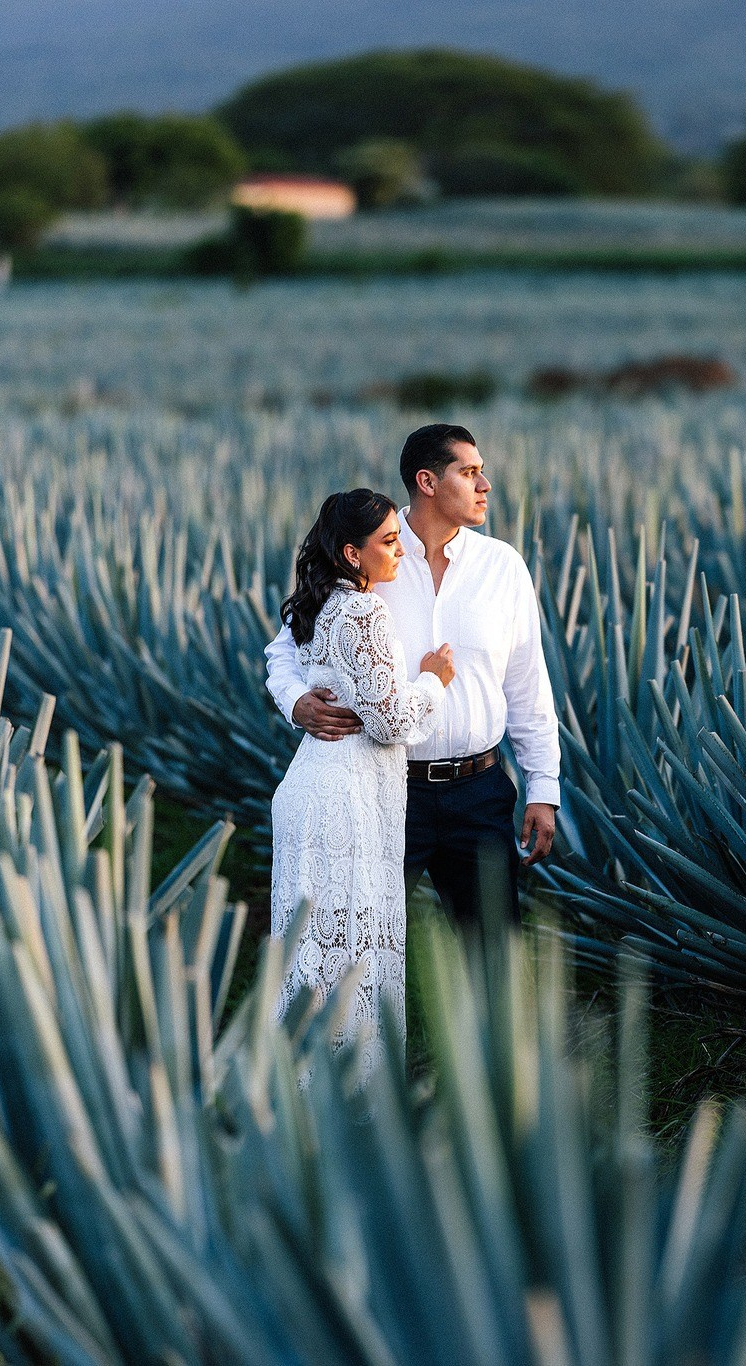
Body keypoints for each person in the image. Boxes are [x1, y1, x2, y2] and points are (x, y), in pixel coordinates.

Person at [265, 424, 560, 927]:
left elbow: (528, 684)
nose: (485, 485)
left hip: (479, 793)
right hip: (385, 790)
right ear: (427, 481)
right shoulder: (374, 557)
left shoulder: (503, 567)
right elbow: (285, 648)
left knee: (494, 960)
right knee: (363, 943)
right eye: (468, 473)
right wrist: (296, 701)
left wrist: (544, 788)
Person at [268, 489, 455, 1084]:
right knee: (350, 951)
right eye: (388, 542)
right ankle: (352, 1100)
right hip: (342, 800)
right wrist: (433, 681)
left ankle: (302, 1090)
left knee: (314, 949)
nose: (399, 550)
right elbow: (391, 720)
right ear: (353, 553)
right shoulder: (362, 612)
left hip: (317, 788)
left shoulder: (323, 606)